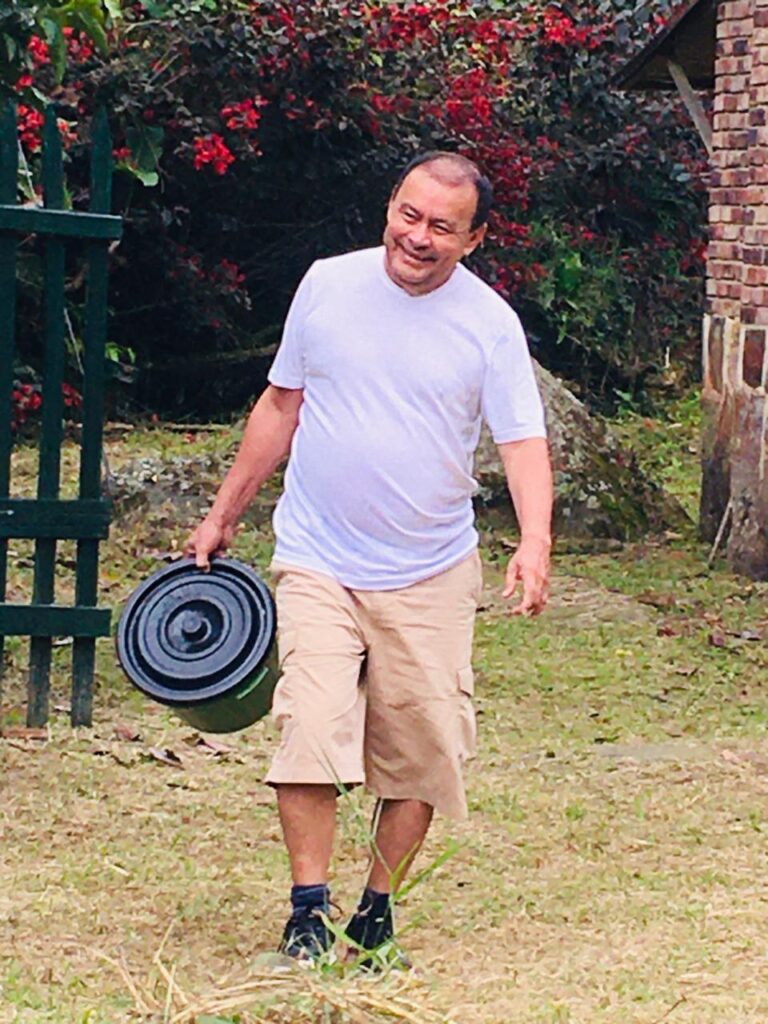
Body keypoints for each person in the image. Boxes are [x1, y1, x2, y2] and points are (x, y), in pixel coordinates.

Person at [184, 151, 553, 965]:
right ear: (390, 206)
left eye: (442, 227)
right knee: (310, 727)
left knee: (422, 753)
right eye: (408, 215)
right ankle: (307, 912)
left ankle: (375, 915)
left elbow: (522, 441)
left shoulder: (490, 324)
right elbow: (281, 405)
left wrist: (535, 540)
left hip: (430, 568)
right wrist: (221, 517)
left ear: (474, 239)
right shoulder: (328, 284)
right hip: (318, 555)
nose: (417, 237)